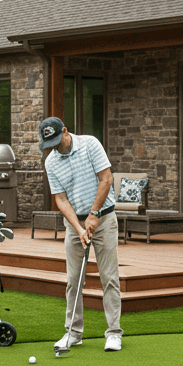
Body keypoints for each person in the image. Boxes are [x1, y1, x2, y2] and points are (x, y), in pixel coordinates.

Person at [38, 116, 122, 352]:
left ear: (65, 131)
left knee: (109, 278)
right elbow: (60, 198)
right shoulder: (51, 162)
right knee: (73, 280)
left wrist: (94, 214)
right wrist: (78, 228)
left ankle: (114, 333)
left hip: (103, 218)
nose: (54, 147)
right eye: (49, 144)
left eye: (56, 140)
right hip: (75, 222)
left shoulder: (90, 144)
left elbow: (106, 178)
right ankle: (73, 333)